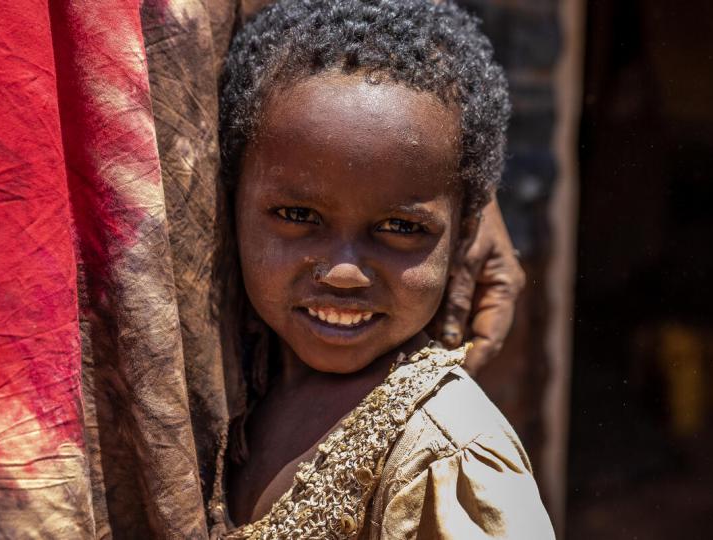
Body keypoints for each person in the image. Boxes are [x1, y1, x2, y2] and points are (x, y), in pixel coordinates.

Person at [213, 0, 555, 537]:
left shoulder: (446, 454)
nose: (344, 273)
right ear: (228, 204)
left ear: (465, 232)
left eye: (399, 227)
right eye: (299, 216)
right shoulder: (241, 387)